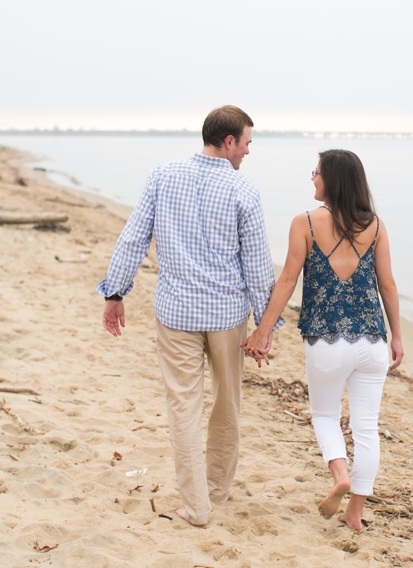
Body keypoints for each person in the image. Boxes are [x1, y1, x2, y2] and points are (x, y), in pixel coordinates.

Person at [97, 105, 281, 527]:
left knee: (183, 406)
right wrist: (266, 325)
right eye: (248, 143)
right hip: (227, 316)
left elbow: (133, 237)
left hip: (177, 312)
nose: (249, 153)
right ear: (229, 141)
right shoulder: (243, 192)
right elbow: (256, 266)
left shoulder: (162, 176)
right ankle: (215, 490)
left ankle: (197, 505)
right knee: (227, 403)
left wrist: (115, 292)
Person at [242, 149, 403, 531]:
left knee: (325, 415)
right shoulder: (376, 226)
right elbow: (388, 285)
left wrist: (263, 331)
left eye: (315, 173)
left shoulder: (305, 223)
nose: (312, 178)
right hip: (372, 343)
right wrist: (397, 336)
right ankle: (356, 511)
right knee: (366, 427)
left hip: (327, 342)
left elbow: (287, 281)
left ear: (331, 179)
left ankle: (339, 476)